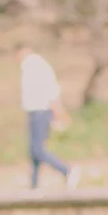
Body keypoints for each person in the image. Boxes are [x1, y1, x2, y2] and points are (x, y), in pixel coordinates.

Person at [19, 45, 79, 189]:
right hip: (35, 111)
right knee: (33, 150)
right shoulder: (30, 66)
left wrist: (58, 110)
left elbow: (50, 89)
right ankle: (34, 185)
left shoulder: (35, 65)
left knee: (38, 149)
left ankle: (66, 170)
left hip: (41, 110)